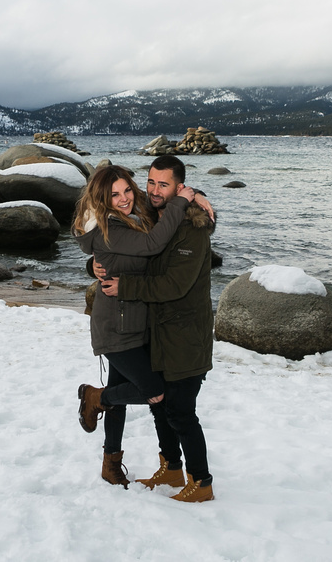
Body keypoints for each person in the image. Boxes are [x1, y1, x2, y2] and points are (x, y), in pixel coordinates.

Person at [72, 164, 199, 488]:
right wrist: (184, 203)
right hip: (115, 326)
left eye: (128, 189)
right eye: (114, 195)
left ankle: (110, 462)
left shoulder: (134, 211)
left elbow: (162, 194)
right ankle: (94, 397)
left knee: (120, 395)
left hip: (139, 322)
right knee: (155, 392)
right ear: (102, 199)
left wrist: (195, 196)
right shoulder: (109, 227)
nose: (125, 198)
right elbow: (151, 246)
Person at [100, 155, 216, 503]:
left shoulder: (192, 230)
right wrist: (96, 265)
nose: (153, 190)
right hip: (158, 331)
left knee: (181, 411)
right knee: (160, 406)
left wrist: (126, 288)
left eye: (162, 184)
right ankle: (171, 467)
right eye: (150, 182)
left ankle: (202, 482)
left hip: (185, 336)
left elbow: (173, 285)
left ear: (179, 188)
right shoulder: (152, 219)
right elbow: (118, 245)